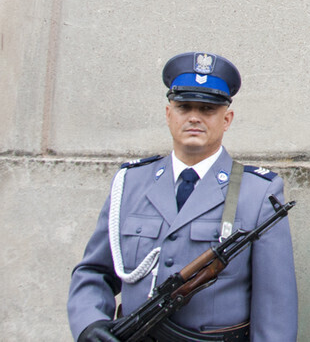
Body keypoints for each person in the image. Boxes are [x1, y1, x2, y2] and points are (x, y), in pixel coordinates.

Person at [68, 52, 298, 341]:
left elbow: (276, 306)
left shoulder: (258, 193)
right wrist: (90, 322)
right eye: (184, 107)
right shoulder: (130, 183)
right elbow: (94, 272)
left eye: (207, 109)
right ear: (168, 114)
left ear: (226, 119)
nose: (194, 118)